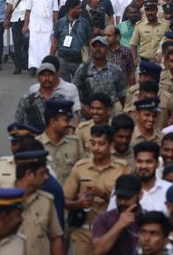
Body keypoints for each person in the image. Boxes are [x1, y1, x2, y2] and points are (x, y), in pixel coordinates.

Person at [64, 124, 128, 255]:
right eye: (93, 143)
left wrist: (103, 194)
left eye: (101, 144)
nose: (96, 148)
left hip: (110, 232)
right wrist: (79, 204)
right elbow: (65, 200)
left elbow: (128, 202)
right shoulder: (80, 167)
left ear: (110, 145)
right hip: (84, 233)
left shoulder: (122, 169)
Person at [14, 61, 81, 131]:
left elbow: (69, 123)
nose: (46, 78)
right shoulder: (27, 99)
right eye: (43, 75)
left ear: (55, 77)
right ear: (38, 78)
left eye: (50, 75)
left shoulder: (61, 100)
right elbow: (17, 122)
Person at [91, 174, 142, 255]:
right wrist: (119, 224)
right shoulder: (104, 219)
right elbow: (98, 250)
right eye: (119, 197)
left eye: (127, 198)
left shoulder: (148, 218)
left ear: (140, 195)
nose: (122, 202)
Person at [72, 36, 127, 108]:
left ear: (107, 49)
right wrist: (82, 107)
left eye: (101, 46)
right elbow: (73, 92)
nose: (98, 49)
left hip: (109, 115)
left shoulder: (116, 70)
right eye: (95, 46)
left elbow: (122, 96)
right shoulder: (82, 69)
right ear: (91, 49)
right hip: (86, 115)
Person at [37, 99, 82, 185]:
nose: (70, 124)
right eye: (66, 120)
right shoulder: (36, 145)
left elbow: (83, 173)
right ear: (53, 122)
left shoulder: (75, 143)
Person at [21, 0, 58, 75]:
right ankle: (33, 67)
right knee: (33, 47)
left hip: (47, 26)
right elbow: (28, 11)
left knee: (46, 47)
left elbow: (55, 11)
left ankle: (45, 66)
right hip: (34, 26)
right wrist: (25, 25)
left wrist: (55, 24)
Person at [50, 0, 92, 81]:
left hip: (79, 61)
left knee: (80, 85)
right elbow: (55, 42)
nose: (80, 10)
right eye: (78, 8)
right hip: (63, 61)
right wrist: (50, 59)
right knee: (64, 86)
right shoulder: (60, 23)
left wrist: (91, 58)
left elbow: (90, 40)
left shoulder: (84, 23)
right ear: (71, 9)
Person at [5, 0, 33, 75]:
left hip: (29, 19)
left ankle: (29, 64)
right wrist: (6, 19)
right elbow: (10, 4)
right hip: (16, 18)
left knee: (28, 43)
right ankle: (18, 67)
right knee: (16, 44)